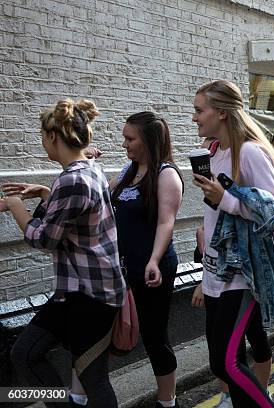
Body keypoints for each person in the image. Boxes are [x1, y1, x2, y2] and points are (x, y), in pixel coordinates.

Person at [2, 99, 126, 408]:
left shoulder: (72, 180)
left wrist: (16, 208)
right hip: (75, 292)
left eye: (42, 136)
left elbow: (44, 239)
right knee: (25, 354)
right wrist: (45, 193)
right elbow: (74, 219)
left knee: (92, 377)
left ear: (53, 136)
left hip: (93, 297)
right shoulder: (86, 169)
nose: (42, 142)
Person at [192, 80, 274, 407]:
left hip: (243, 273)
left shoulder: (249, 152)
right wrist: (204, 277)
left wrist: (226, 199)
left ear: (220, 112)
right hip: (216, 273)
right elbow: (212, 223)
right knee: (223, 365)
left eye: (199, 110)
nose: (194, 118)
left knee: (228, 363)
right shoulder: (213, 154)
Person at [109, 112, 183, 408]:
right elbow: (101, 198)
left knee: (154, 337)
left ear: (149, 141)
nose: (124, 143)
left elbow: (167, 222)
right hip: (124, 268)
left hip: (154, 268)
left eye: (130, 138)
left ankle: (168, 402)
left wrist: (153, 260)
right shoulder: (129, 170)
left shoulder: (166, 174)